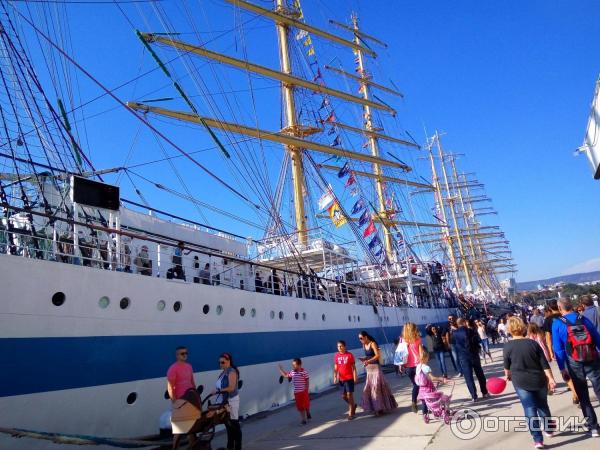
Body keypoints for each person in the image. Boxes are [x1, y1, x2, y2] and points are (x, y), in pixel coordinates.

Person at [504, 317, 557, 448]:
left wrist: (508, 376)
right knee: (543, 406)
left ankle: (538, 440)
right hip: (538, 379)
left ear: (509, 330)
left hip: (521, 382)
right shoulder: (533, 344)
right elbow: (544, 364)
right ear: (522, 328)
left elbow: (507, 367)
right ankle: (549, 429)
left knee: (529, 409)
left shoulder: (507, 346)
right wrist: (550, 378)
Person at [552, 298, 600, 438]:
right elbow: (596, 338)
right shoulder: (583, 318)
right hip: (592, 358)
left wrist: (562, 368)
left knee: (583, 395)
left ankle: (593, 427)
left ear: (560, 309)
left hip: (574, 362)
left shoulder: (557, 324)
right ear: (572, 306)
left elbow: (559, 349)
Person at [544, 299, 579, 406]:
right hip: (575, 345)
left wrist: (550, 350)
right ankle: (576, 391)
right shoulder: (566, 315)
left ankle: (575, 393)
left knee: (566, 371)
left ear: (550, 308)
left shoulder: (549, 319)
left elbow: (548, 337)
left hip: (561, 348)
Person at [358, 331, 398, 416]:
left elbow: (377, 355)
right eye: (359, 338)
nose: (360, 340)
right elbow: (369, 355)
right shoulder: (364, 345)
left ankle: (380, 408)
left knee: (377, 388)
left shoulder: (372, 344)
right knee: (370, 389)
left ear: (366, 337)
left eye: (361, 338)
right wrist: (364, 359)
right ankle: (376, 408)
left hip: (375, 368)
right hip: (369, 370)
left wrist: (368, 360)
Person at [166, 346, 198, 449]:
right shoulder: (173, 368)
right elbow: (170, 387)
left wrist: (196, 394)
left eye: (186, 353)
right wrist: (175, 402)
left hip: (191, 401)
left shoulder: (189, 366)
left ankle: (193, 446)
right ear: (177, 355)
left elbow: (192, 382)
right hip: (180, 401)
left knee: (192, 428)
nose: (185, 355)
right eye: (182, 353)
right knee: (179, 430)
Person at [453, 318, 489, 402]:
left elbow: (454, 345)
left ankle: (474, 396)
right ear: (464, 322)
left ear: (458, 324)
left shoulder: (454, 333)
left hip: (463, 357)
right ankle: (484, 392)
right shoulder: (471, 330)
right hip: (474, 355)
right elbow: (478, 340)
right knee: (480, 374)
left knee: (468, 377)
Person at [212, 353, 242, 450]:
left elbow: (231, 388)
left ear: (228, 361)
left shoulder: (231, 371)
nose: (220, 364)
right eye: (219, 362)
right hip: (224, 402)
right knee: (229, 426)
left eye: (222, 362)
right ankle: (230, 447)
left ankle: (237, 447)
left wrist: (218, 391)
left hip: (231, 401)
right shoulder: (224, 372)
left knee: (234, 425)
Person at [416, 346, 449, 416]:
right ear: (426, 357)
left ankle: (425, 414)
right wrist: (441, 379)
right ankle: (438, 411)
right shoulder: (426, 367)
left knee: (424, 402)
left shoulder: (418, 367)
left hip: (422, 389)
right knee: (436, 400)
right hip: (429, 389)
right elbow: (432, 378)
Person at [398, 323, 423, 413]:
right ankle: (423, 405)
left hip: (408, 367)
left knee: (415, 385)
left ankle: (414, 402)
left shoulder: (402, 340)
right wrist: (423, 363)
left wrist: (400, 365)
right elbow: (421, 354)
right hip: (418, 365)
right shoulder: (418, 339)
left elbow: (400, 354)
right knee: (420, 385)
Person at [278, 358, 311, 424]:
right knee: (300, 407)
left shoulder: (304, 372)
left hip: (304, 392)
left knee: (306, 405)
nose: (293, 366)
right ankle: (303, 420)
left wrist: (306, 389)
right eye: (292, 365)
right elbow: (285, 375)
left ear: (299, 365)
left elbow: (307, 381)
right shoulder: (292, 372)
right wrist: (280, 369)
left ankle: (307, 412)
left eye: (294, 365)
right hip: (297, 393)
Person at [333, 340, 358, 420]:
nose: (339, 348)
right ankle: (353, 406)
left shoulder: (349, 355)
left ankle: (351, 413)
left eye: (341, 346)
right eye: (338, 346)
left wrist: (355, 376)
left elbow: (353, 368)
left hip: (349, 378)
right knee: (343, 396)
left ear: (344, 346)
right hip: (341, 379)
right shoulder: (336, 356)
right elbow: (336, 368)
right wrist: (335, 376)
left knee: (349, 395)